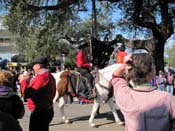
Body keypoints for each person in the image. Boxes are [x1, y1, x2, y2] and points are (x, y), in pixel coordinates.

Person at [112, 49, 175, 131]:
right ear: (151, 72)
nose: (155, 66)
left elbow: (116, 77)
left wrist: (124, 65)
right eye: (153, 65)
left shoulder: (125, 96)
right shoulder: (168, 99)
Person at [19, 56, 56, 131]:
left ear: (38, 66)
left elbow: (27, 93)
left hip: (40, 112)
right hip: (47, 109)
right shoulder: (49, 75)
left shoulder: (41, 77)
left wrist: (23, 81)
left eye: (33, 65)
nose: (33, 68)